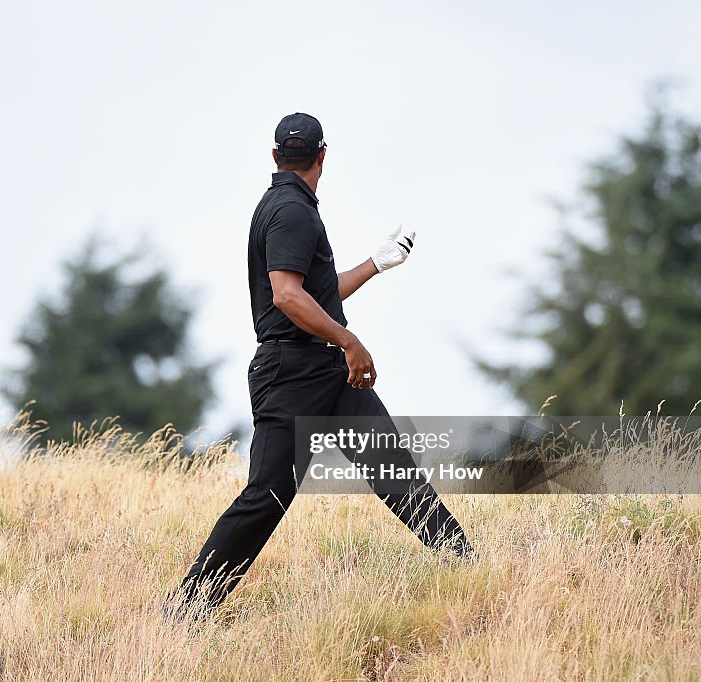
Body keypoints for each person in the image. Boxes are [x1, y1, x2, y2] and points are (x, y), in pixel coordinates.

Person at [166, 112, 475, 621]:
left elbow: (315, 297)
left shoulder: (283, 206)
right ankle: (186, 612)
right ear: (323, 157)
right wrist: (350, 341)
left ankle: (469, 567)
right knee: (266, 497)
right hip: (292, 374)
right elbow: (288, 297)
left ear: (274, 158)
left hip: (325, 371)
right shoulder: (292, 212)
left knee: (395, 472)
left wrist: (376, 264)